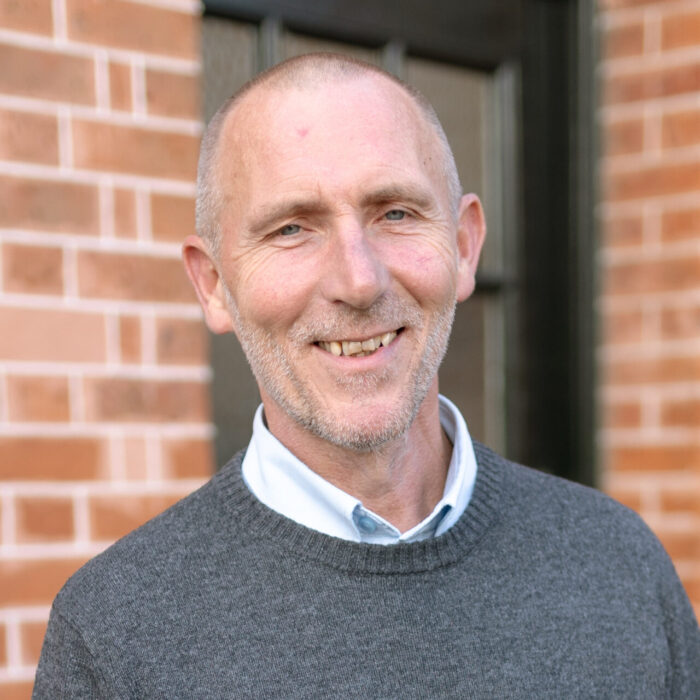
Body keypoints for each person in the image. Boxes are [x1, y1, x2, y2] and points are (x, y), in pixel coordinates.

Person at [33, 53, 699, 698]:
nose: (359, 280)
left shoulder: (619, 565)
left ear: (465, 246)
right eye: (292, 228)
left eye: (396, 213)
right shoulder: (115, 633)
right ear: (213, 285)